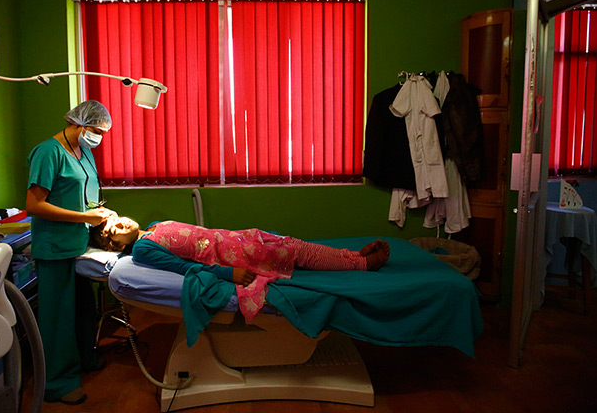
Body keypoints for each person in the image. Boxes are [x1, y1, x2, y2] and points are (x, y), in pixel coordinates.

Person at [90, 215, 390, 321]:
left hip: (235, 239)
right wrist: (225, 274)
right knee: (297, 252)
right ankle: (363, 264)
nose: (120, 223)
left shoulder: (153, 227)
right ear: (116, 246)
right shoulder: (142, 250)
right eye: (113, 231)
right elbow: (183, 267)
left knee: (297, 245)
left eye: (117, 218)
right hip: (233, 257)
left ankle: (350, 256)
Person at [26, 100, 115, 405]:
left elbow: (83, 194)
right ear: (78, 123)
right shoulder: (48, 152)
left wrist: (101, 213)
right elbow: (35, 205)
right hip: (55, 247)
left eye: (102, 132)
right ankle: (56, 384)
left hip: (81, 245)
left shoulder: (84, 151)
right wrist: (85, 218)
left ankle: (84, 361)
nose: (98, 137)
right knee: (58, 318)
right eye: (95, 131)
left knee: (83, 310)